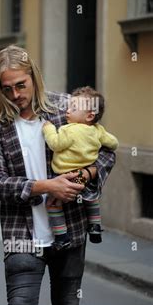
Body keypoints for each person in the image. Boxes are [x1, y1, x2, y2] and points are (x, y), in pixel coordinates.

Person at [0, 45, 116, 305]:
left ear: (34, 76)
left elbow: (108, 151)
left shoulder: (68, 108)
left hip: (72, 229)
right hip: (21, 233)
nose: (15, 94)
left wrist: (83, 176)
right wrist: (46, 186)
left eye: (21, 85)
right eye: (7, 88)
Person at [42, 86, 118, 249]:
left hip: (65, 176)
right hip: (84, 174)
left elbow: (55, 144)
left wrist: (48, 129)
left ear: (90, 115)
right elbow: (113, 143)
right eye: (69, 107)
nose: (67, 111)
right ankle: (95, 226)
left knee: (53, 203)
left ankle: (62, 236)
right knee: (91, 196)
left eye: (74, 108)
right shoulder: (98, 130)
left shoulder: (68, 130)